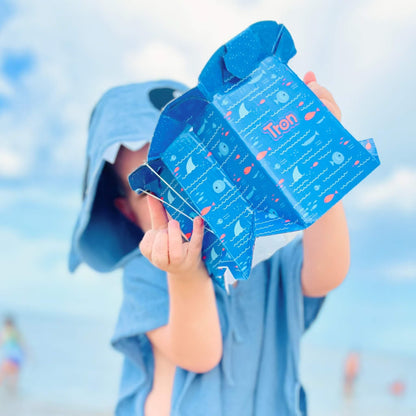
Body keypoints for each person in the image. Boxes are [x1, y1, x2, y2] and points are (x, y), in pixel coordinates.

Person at [69, 73, 350, 415]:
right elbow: (200, 356)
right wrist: (185, 275)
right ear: (128, 212)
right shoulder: (147, 272)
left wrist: (317, 162)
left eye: (187, 172)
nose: (176, 200)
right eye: (150, 191)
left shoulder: (262, 250)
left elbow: (325, 274)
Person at [0, 316, 24, 392]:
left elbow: (1, 342)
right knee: (14, 378)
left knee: (2, 375)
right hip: (19, 357)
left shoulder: (6, 332)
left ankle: (9, 395)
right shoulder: (16, 332)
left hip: (10, 357)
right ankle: (13, 395)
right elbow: (23, 345)